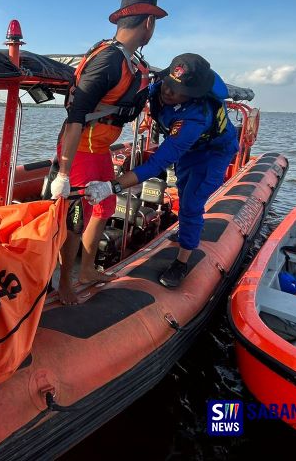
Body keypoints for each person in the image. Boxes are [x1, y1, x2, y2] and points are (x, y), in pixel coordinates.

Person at [49, 0, 167, 304]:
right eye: (154, 26)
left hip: (99, 148)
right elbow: (76, 116)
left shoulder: (129, 60)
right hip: (81, 151)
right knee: (76, 217)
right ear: (148, 23)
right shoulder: (108, 60)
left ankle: (86, 270)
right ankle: (64, 283)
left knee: (105, 206)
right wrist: (63, 172)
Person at [84, 53, 239, 288]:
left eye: (176, 91)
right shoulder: (158, 89)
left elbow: (156, 165)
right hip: (187, 149)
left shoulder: (195, 117)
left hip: (212, 153)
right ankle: (186, 230)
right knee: (183, 185)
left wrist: (110, 187)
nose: (168, 92)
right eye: (168, 84)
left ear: (192, 95)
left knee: (191, 203)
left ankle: (183, 260)